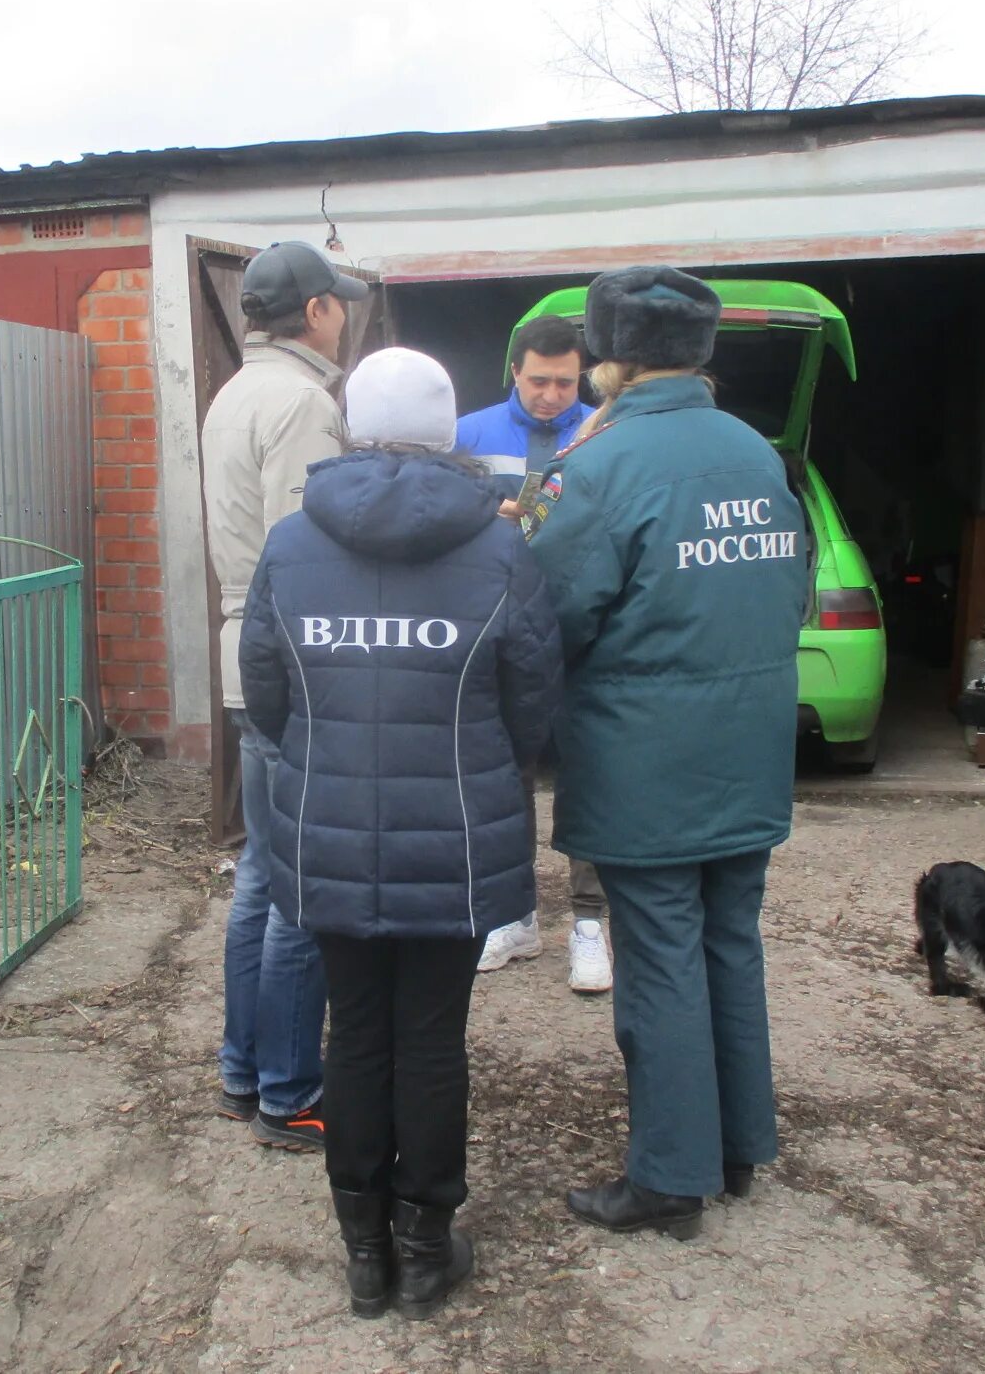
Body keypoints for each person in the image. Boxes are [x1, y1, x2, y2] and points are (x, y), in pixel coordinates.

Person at [239, 347, 562, 1319]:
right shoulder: (499, 549)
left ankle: (362, 1253)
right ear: (445, 430)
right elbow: (535, 703)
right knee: (430, 1039)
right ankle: (425, 1247)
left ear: (351, 425)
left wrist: (324, 755)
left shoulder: (292, 547)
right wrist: (478, 764)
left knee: (353, 1033)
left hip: (329, 832)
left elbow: (264, 694)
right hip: (454, 841)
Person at [523, 266, 809, 1241]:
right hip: (750, 741)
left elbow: (550, 612)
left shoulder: (597, 468)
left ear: (609, 361)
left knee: (657, 962)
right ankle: (734, 1149)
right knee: (729, 940)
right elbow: (793, 587)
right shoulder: (754, 454)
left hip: (644, 757)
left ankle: (666, 1178)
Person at [201, 240, 368, 1151]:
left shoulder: (235, 391)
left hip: (242, 653)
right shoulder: (304, 401)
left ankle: (242, 1069)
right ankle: (290, 1093)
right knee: (300, 890)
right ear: (315, 312)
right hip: (289, 662)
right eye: (337, 302)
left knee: (263, 878)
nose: (344, 314)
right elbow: (304, 556)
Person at [452, 314, 611, 992]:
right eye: (539, 381)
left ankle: (590, 923)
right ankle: (513, 916)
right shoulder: (470, 433)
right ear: (514, 371)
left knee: (587, 773)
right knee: (503, 776)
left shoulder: (602, 433)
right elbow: (441, 517)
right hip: (495, 629)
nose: (551, 395)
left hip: (579, 626)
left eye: (565, 382)